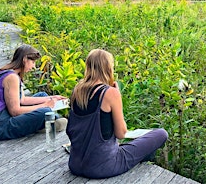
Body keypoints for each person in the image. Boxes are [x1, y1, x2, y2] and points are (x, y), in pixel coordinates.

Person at [66, 49, 168, 179]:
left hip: (75, 164)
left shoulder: (77, 91)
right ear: (108, 68)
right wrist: (117, 95)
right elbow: (121, 133)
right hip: (104, 166)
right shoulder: (110, 93)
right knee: (161, 134)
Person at [0, 44, 68, 140]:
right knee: (45, 111)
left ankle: (44, 123)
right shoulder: (12, 77)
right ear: (25, 59)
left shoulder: (8, 72)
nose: (34, 66)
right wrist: (45, 105)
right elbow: (15, 111)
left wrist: (52, 98)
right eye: (33, 62)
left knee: (42, 95)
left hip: (3, 116)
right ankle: (46, 123)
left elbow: (22, 100)